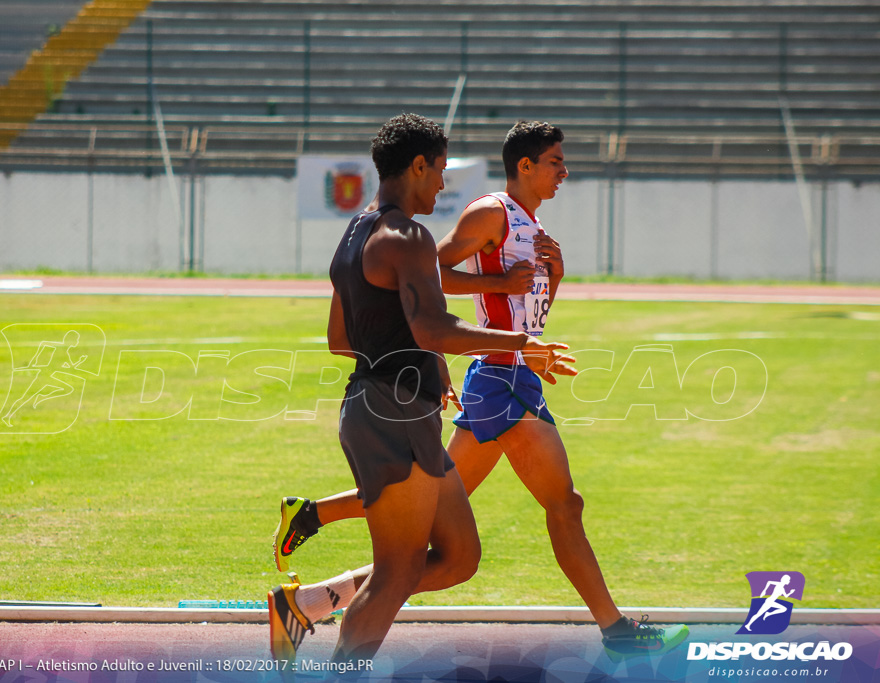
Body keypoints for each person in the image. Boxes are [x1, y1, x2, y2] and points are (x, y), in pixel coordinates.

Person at [273, 121, 690, 663]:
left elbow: (341, 338)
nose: (444, 185)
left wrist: (427, 357)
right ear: (418, 166)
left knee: (456, 556)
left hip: (404, 403)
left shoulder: (357, 230)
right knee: (409, 566)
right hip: (439, 396)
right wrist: (496, 341)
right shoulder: (415, 233)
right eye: (442, 171)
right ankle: (617, 633)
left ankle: (304, 591)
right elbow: (432, 318)